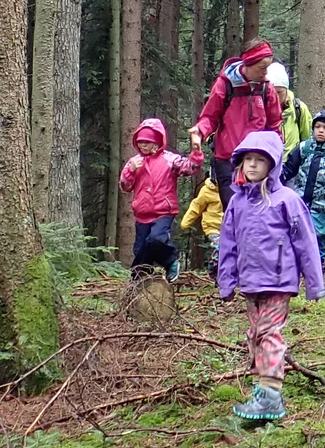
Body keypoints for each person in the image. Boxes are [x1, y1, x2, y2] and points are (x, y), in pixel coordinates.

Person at [216, 130, 325, 422]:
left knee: (268, 333)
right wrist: (226, 281)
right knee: (254, 335)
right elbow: (228, 244)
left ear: (273, 164)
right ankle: (260, 389)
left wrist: (315, 284)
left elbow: (306, 241)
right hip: (250, 283)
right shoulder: (237, 203)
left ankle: (272, 395)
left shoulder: (286, 200)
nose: (252, 165)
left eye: (259, 160)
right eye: (247, 160)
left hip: (279, 281)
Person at [190, 38, 283, 207]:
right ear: (248, 64)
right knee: (233, 207)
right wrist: (199, 132)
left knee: (257, 209)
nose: (265, 73)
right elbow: (210, 117)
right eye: (262, 68)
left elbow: (275, 126)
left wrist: (276, 156)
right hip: (227, 160)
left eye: (267, 68)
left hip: (257, 160)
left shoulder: (266, 89)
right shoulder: (225, 85)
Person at [119, 117, 202, 282]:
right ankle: (138, 281)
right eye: (140, 141)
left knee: (156, 239)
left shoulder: (170, 160)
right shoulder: (134, 162)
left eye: (147, 141)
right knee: (141, 250)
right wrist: (131, 171)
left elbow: (190, 167)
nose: (143, 145)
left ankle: (171, 261)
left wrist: (196, 151)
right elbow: (125, 186)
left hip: (164, 211)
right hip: (142, 214)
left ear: (157, 141)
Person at [283, 111, 325, 265]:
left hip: (320, 204)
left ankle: (318, 262)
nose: (320, 130)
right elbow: (289, 169)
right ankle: (294, 262)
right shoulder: (303, 148)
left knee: (318, 232)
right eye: (317, 126)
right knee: (295, 230)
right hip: (299, 201)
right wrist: (277, 180)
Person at [265, 62, 313, 156]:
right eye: (272, 92)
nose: (276, 96)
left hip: (293, 166)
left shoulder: (299, 108)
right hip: (268, 164)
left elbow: (308, 141)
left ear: (286, 90)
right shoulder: (261, 110)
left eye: (280, 92)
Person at [180, 175, 225, 273]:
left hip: (229, 228)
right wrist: (186, 222)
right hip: (213, 227)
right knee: (220, 245)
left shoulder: (230, 189)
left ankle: (224, 270)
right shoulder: (206, 190)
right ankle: (214, 265)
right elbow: (196, 206)